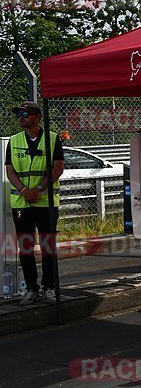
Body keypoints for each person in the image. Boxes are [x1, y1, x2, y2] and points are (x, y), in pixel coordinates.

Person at [4, 101, 64, 305]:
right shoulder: (14, 140)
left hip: (45, 201)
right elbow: (10, 170)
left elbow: (58, 168)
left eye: (25, 113)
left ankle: (49, 287)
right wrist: (24, 190)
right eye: (18, 113)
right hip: (22, 202)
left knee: (48, 247)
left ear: (38, 116)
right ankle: (31, 288)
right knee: (26, 247)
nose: (20, 117)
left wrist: (38, 190)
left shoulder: (53, 139)